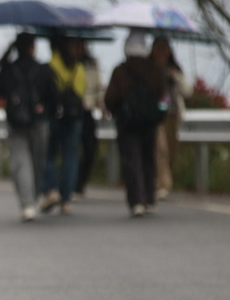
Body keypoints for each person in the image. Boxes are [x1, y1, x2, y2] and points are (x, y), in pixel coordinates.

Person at [103, 30, 166, 217]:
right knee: (148, 159)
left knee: (132, 160)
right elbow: (162, 94)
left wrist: (117, 110)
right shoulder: (154, 70)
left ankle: (137, 201)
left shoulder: (120, 71)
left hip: (127, 122)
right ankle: (149, 198)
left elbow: (110, 98)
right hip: (149, 122)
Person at [0, 33, 50, 221]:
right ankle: (34, 197)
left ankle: (27, 204)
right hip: (39, 121)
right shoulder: (42, 69)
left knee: (20, 162)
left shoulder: (9, 69)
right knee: (37, 162)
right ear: (32, 47)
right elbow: (53, 95)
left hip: (15, 121)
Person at [39, 36, 87, 215]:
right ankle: (66, 199)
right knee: (70, 157)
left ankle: (51, 189)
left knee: (49, 154)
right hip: (74, 118)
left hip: (53, 116)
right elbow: (81, 91)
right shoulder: (78, 68)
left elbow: (43, 93)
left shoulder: (50, 67)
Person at [150, 37, 192, 201]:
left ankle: (158, 178)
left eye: (165, 49)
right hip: (156, 115)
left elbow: (188, 92)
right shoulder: (150, 68)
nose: (162, 52)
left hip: (173, 114)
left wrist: (175, 78)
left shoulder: (174, 69)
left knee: (171, 150)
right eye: (159, 49)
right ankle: (163, 184)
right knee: (161, 150)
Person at [75, 43, 104, 198]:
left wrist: (102, 106)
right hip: (71, 111)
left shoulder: (92, 64)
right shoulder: (69, 63)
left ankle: (80, 183)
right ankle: (71, 183)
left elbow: (98, 87)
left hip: (87, 112)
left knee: (90, 150)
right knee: (72, 150)